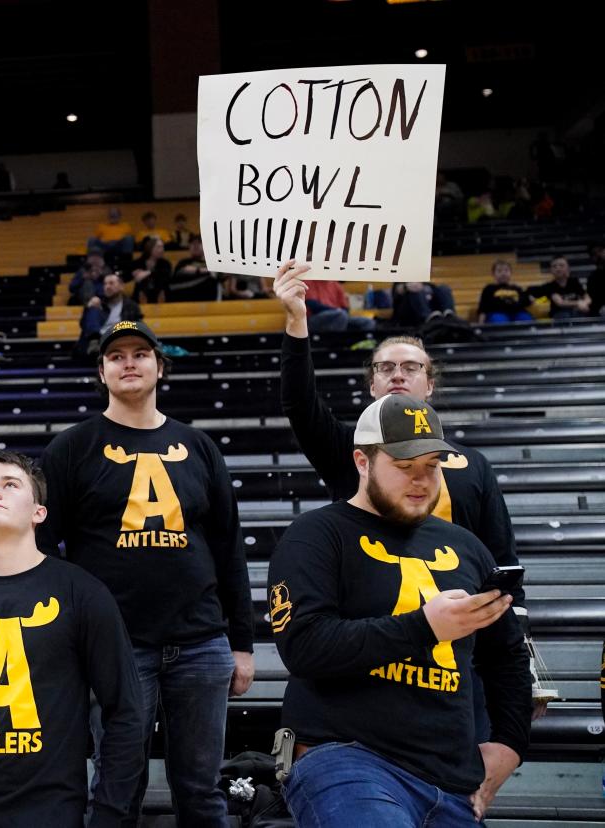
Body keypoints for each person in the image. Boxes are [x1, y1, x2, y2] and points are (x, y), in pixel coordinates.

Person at [274, 260, 540, 726]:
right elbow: (300, 403)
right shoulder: (349, 450)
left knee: (465, 770)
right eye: (386, 368)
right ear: (372, 384)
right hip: (373, 634)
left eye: (410, 367)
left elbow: (500, 560)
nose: (398, 375)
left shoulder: (472, 464)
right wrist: (297, 321)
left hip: (461, 646)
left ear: (430, 384)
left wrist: (521, 667)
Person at [268, 394, 530, 826]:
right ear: (362, 461)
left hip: (451, 778)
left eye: (432, 466)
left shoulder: (468, 547)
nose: (421, 480)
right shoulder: (315, 534)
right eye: (405, 467)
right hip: (345, 758)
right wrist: (425, 626)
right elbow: (304, 646)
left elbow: (507, 657)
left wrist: (509, 744)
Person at [39, 320, 254, 826]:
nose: (129, 362)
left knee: (201, 792)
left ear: (160, 367)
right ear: (102, 371)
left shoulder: (200, 448)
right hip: (115, 647)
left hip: (201, 643)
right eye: (116, 356)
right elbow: (44, 550)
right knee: (115, 791)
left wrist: (242, 642)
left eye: (140, 353)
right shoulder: (71, 449)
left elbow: (228, 548)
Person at [0, 447, 145, 827]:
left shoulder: (82, 594)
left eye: (10, 484)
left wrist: (108, 816)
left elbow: (126, 713)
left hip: (53, 815)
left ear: (39, 513)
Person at [76, 273, 143, 360]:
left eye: (111, 283)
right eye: (105, 284)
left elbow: (137, 324)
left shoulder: (131, 306)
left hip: (120, 339)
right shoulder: (98, 303)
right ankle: (94, 342)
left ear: (121, 286)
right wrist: (88, 308)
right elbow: (83, 325)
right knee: (93, 307)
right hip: (98, 342)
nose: (107, 287)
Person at [303, 278, 375, 333]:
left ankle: (362, 347)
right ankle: (337, 342)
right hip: (315, 317)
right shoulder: (309, 282)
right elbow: (313, 305)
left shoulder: (336, 284)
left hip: (339, 315)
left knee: (368, 322)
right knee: (341, 315)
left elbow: (345, 308)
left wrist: (338, 311)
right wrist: (336, 310)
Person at [170, 237, 220, 302]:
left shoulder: (212, 263)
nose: (196, 245)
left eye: (199, 243)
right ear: (189, 247)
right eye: (193, 243)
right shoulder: (183, 262)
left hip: (208, 300)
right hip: (185, 299)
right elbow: (181, 272)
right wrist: (204, 271)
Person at [391, 282, 457, 328]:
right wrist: (407, 287)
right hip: (410, 316)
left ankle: (450, 315)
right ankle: (428, 319)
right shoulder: (400, 282)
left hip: (435, 313)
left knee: (443, 288)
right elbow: (397, 291)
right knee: (415, 291)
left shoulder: (428, 284)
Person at [130, 238, 171, 304]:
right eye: (159, 247)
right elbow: (135, 277)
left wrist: (148, 272)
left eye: (163, 247)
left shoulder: (165, 263)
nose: (162, 250)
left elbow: (166, 275)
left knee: (161, 280)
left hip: (160, 293)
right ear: (150, 248)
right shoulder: (138, 263)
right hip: (140, 294)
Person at [587, 242, 605, 317]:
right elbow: (594, 302)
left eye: (600, 251)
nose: (598, 255)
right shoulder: (592, 278)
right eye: (594, 253)